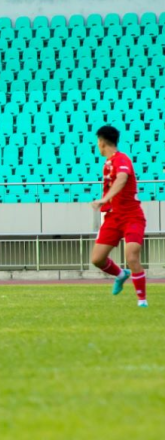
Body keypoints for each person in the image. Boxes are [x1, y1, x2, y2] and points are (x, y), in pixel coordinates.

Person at [89, 126, 148, 307]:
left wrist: (104, 198)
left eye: (97, 141)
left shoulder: (122, 159)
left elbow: (122, 179)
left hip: (132, 216)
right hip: (113, 217)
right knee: (97, 259)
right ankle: (121, 275)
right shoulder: (107, 163)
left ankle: (142, 300)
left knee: (131, 256)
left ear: (102, 141)